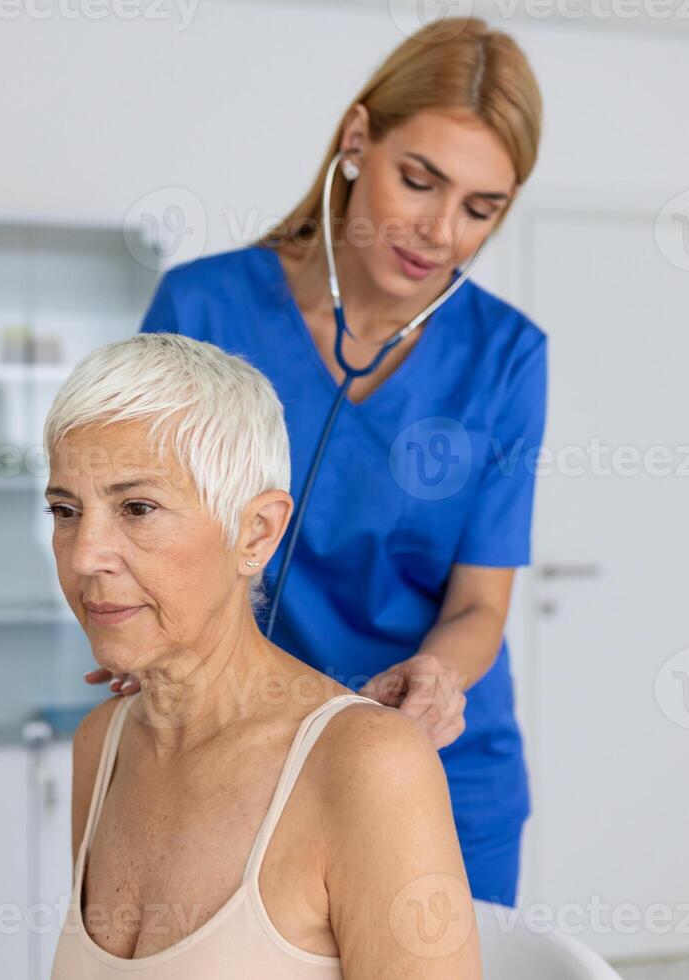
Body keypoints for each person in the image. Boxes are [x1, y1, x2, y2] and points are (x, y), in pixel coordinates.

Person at [91, 17, 547, 907]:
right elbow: (130, 517)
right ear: (355, 140)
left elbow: (481, 602)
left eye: (481, 209)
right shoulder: (204, 306)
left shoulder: (507, 356)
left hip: (439, 761)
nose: (440, 231)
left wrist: (439, 677)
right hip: (236, 747)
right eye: (419, 180)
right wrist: (142, 624)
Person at [46, 333, 482, 977]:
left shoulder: (368, 765)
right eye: (65, 510)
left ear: (256, 532)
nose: (84, 556)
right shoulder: (102, 744)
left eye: (137, 508)